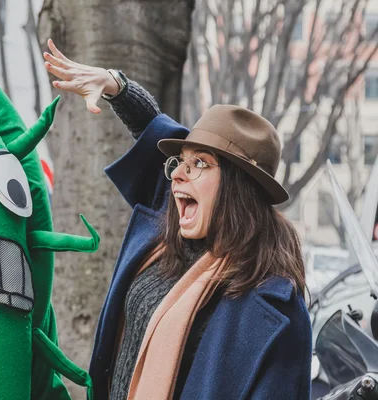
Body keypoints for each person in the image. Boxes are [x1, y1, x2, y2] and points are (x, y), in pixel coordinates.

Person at [43, 39, 312, 400]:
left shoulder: (274, 309)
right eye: (180, 162)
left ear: (238, 188)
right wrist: (116, 87)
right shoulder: (169, 232)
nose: (178, 176)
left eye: (200, 163)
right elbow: (154, 128)